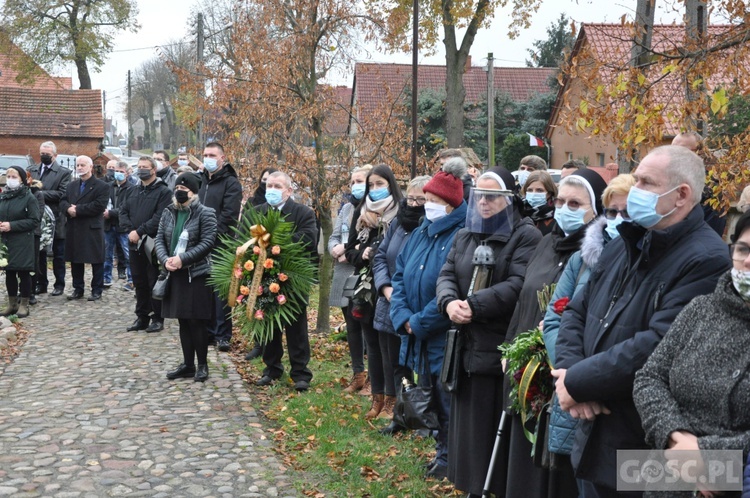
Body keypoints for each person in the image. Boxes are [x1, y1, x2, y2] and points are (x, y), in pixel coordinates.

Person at [553, 145, 732, 497]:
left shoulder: (707, 258)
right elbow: (576, 310)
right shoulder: (626, 242)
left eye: (646, 182)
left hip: (646, 443)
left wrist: (579, 382)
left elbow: (659, 343)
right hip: (594, 431)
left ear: (681, 195)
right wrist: (571, 373)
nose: (635, 190)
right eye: (635, 180)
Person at [435, 166, 542, 497]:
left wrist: (475, 305)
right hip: (463, 346)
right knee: (466, 429)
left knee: (487, 427)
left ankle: (490, 487)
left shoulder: (526, 235)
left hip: (497, 346)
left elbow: (520, 284)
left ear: (509, 199)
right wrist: (449, 302)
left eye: (493, 196)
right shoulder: (465, 233)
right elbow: (447, 272)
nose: (484, 202)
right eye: (479, 195)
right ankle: (469, 485)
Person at [503, 168, 607, 498]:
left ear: (597, 211)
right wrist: (510, 350)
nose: (564, 209)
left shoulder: (598, 256)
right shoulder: (547, 241)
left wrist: (560, 362)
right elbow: (524, 300)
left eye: (575, 203)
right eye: (560, 201)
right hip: (532, 368)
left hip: (566, 371)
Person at [633, 211, 750, 498]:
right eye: (744, 249)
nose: (747, 262)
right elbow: (649, 377)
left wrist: (710, 458)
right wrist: (676, 435)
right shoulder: (701, 309)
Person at [541, 173, 635, 495]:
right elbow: (560, 319)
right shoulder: (583, 260)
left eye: (627, 212)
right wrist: (572, 376)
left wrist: (586, 381)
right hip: (579, 399)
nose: (618, 220)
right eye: (612, 212)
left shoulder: (652, 263)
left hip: (620, 410)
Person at [389, 166, 467, 479]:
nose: (425, 204)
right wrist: (403, 317)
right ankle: (440, 454)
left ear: (448, 203)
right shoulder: (422, 230)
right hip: (416, 331)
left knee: (445, 400)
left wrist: (418, 322)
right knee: (428, 396)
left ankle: (449, 460)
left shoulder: (461, 235)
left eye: (431, 199)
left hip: (442, 334)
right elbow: (400, 275)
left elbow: (453, 288)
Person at [250, 171, 318, 392]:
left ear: (289, 191)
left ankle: (300, 373)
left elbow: (308, 239)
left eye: (278, 186)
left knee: (296, 327)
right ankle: (271, 369)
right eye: (269, 185)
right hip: (263, 276)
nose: (272, 190)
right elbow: (244, 239)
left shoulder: (303, 212)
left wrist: (275, 241)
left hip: (293, 279)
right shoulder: (257, 213)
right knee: (269, 324)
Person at [372, 174, 430, 431]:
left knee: (420, 365)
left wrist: (402, 293)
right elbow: (381, 255)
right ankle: (401, 415)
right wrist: (385, 287)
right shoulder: (398, 223)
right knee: (395, 363)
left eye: (422, 199)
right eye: (412, 198)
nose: (415, 204)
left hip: (415, 304)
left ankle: (424, 418)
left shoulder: (429, 226)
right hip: (389, 303)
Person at [344, 164, 403, 417]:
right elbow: (349, 251)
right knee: (372, 343)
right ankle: (376, 397)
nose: (375, 189)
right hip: (364, 289)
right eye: (371, 185)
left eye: (380, 184)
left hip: (388, 287)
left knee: (389, 346)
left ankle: (392, 399)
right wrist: (361, 254)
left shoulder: (399, 212)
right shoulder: (362, 211)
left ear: (390, 184)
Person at [158, 173, 218, 383]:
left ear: (193, 192)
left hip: (197, 274)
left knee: (196, 320)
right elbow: (159, 239)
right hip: (174, 273)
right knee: (183, 320)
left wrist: (183, 259)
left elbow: (208, 242)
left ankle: (202, 364)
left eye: (185, 191)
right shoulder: (169, 211)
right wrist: (165, 259)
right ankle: (187, 364)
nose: (179, 193)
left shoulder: (205, 213)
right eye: (177, 190)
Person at [328, 165, 371, 391]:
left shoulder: (373, 209)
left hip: (363, 273)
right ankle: (358, 374)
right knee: (351, 325)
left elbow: (366, 241)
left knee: (367, 326)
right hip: (344, 273)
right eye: (353, 181)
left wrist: (346, 249)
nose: (355, 185)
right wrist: (335, 248)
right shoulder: (346, 209)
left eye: (360, 181)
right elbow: (334, 237)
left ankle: (374, 377)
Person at [120, 156, 174, 332]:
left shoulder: (163, 192)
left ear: (153, 170)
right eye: (139, 166)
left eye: (145, 167)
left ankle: (157, 318)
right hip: (134, 242)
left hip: (152, 243)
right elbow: (123, 212)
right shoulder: (133, 191)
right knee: (139, 280)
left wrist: (140, 231)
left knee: (153, 280)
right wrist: (130, 231)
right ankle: (141, 316)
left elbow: (159, 217)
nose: (141, 169)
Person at [198, 142, 243, 352]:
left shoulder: (231, 183)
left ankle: (223, 334)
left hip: (220, 243)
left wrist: (210, 234)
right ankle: (206, 331)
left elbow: (229, 215)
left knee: (220, 292)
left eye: (212, 155)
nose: (208, 158)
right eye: (205, 154)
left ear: (222, 158)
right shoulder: (199, 181)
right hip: (198, 244)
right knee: (203, 289)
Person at [59, 155, 111, 301]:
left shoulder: (102, 186)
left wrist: (78, 210)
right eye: (78, 165)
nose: (80, 168)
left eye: (83, 165)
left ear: (90, 167)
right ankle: (78, 288)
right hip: (74, 227)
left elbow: (99, 205)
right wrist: (68, 209)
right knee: (75, 260)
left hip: (91, 228)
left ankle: (97, 289)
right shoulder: (71, 185)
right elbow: (62, 201)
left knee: (96, 260)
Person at [28, 141, 70, 296]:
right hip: (37, 217)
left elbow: (62, 193)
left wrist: (39, 193)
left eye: (47, 154)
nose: (44, 156)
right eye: (42, 154)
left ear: (55, 155)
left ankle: (59, 284)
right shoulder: (32, 170)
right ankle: (41, 282)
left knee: (59, 254)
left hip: (56, 218)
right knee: (40, 254)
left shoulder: (63, 172)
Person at [0, 166, 40, 317]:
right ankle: (12, 304)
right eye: (8, 176)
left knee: (23, 272)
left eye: (14, 177)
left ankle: (24, 304)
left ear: (22, 179)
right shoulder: (4, 196)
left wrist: (12, 226)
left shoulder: (29, 197)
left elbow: (34, 220)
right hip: (6, 240)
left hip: (22, 240)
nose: (10, 180)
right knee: (9, 272)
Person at [672, 131, 726, 236]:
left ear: (699, 153)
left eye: (681, 150)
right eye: (671, 148)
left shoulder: (711, 190)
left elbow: (712, 234)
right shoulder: (662, 181)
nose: (673, 154)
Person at [103, 161, 134, 288]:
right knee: (106, 254)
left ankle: (132, 279)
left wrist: (111, 212)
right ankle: (106, 278)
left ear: (127, 174)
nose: (118, 174)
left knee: (128, 254)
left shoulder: (132, 188)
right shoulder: (108, 186)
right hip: (108, 225)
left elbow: (127, 207)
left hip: (124, 226)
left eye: (121, 172)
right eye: (117, 171)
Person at [27, 177, 47, 306]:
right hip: (14, 233)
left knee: (32, 263)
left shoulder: (36, 194)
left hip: (32, 233)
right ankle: (19, 290)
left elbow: (37, 215)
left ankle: (31, 291)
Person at [520, 170, 558, 236]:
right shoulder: (519, 212)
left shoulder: (557, 216)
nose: (534, 194)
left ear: (549, 193)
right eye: (530, 190)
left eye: (539, 190)